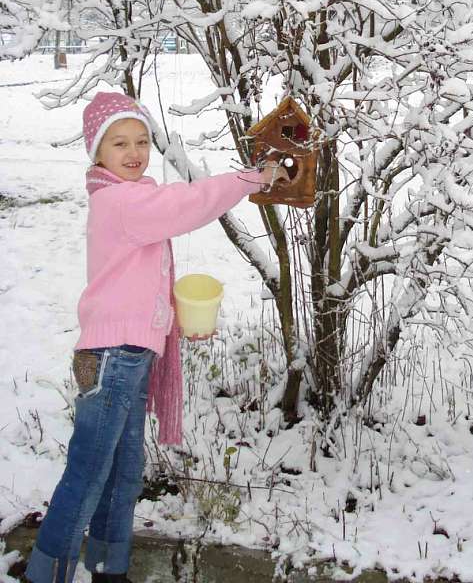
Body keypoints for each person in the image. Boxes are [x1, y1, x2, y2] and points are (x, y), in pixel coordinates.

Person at [24, 91, 287, 583]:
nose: (134, 151)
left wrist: (168, 316)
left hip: (130, 352)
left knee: (121, 474)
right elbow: (187, 203)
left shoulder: (127, 196)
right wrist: (255, 177)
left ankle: (108, 566)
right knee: (88, 476)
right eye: (119, 142)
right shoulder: (122, 200)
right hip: (112, 358)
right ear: (97, 152)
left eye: (142, 140)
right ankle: (45, 574)